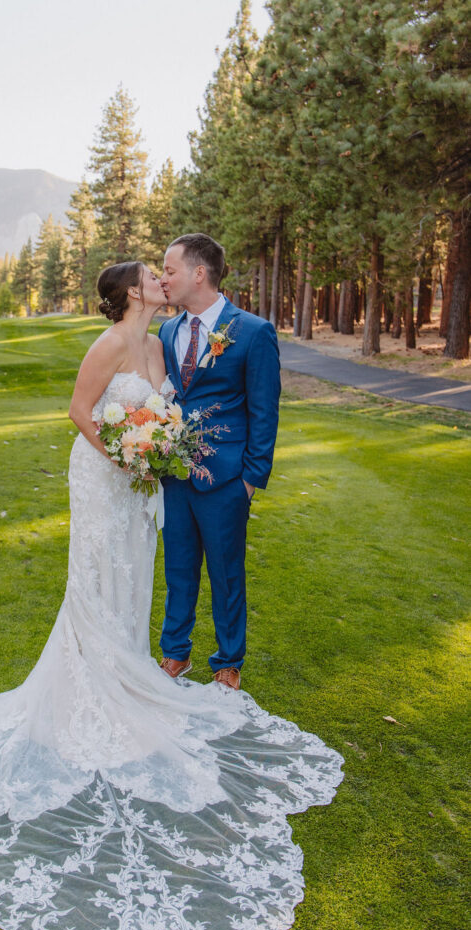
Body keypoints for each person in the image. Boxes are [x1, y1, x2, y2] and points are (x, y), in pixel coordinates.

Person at [0, 260, 343, 930]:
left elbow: (164, 411)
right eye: (151, 274)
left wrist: (155, 450)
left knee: (130, 582)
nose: (162, 278)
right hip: (103, 477)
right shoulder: (112, 343)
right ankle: (89, 687)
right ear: (128, 294)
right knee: (95, 578)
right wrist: (126, 452)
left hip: (140, 482)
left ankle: (126, 672)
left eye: (165, 271)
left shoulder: (162, 342)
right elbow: (80, 413)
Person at [159, 233, 281, 690]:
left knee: (227, 574)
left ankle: (228, 661)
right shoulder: (169, 330)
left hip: (228, 478)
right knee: (178, 569)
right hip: (175, 474)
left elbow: (264, 411)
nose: (163, 278)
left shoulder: (252, 331)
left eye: (169, 270)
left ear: (198, 273)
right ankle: (175, 653)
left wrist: (250, 479)